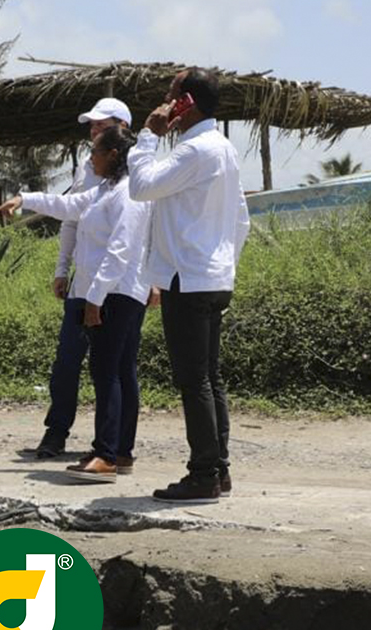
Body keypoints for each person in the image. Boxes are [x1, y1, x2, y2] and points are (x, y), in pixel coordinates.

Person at [0, 126, 150, 482]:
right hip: (108, 291)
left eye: (95, 151)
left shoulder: (127, 193)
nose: (90, 158)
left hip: (116, 292)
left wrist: (94, 298)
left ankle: (106, 455)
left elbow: (120, 250)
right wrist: (24, 198)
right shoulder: (104, 189)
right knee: (116, 371)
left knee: (107, 371)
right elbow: (67, 205)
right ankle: (119, 452)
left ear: (113, 154)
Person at [128, 67, 250, 504]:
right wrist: (224, 266)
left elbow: (141, 187)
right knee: (210, 378)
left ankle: (203, 475)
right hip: (213, 276)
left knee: (194, 380)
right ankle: (219, 469)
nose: (165, 103)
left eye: (171, 95)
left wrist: (147, 135)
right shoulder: (224, 149)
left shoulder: (194, 150)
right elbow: (241, 219)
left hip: (188, 278)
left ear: (187, 103)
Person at [30, 98, 133, 460]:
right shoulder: (89, 172)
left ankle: (116, 448)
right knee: (68, 360)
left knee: (117, 367)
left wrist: (153, 279)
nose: (93, 131)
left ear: (121, 129)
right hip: (85, 280)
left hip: (120, 286)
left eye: (101, 125)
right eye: (91, 126)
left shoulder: (137, 177)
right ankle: (57, 432)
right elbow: (70, 217)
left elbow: (136, 237)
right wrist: (62, 269)